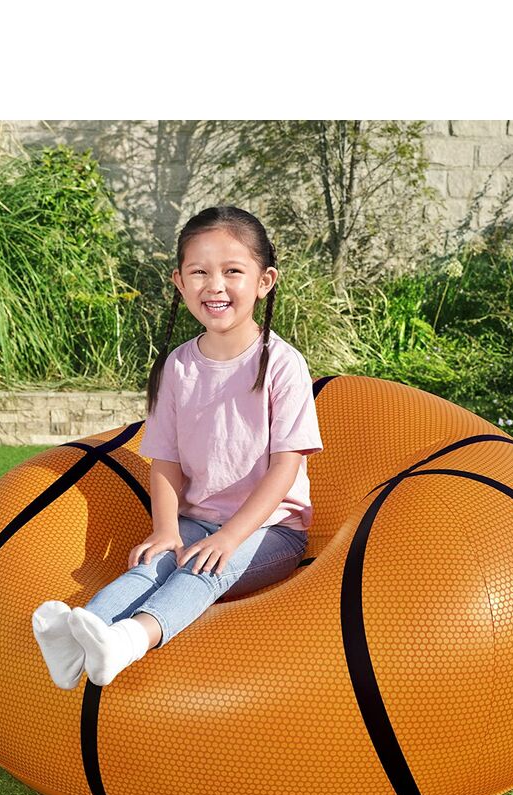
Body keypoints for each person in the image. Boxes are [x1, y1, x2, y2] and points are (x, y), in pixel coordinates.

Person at [31, 205, 323, 689]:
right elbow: (165, 461)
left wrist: (229, 539)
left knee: (201, 571)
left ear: (265, 281)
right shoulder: (178, 367)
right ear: (179, 282)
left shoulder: (281, 364)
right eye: (199, 272)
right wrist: (166, 530)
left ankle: (128, 640)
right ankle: (80, 638)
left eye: (233, 271)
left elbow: (284, 469)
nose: (215, 285)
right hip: (197, 521)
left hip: (271, 531)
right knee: (151, 566)